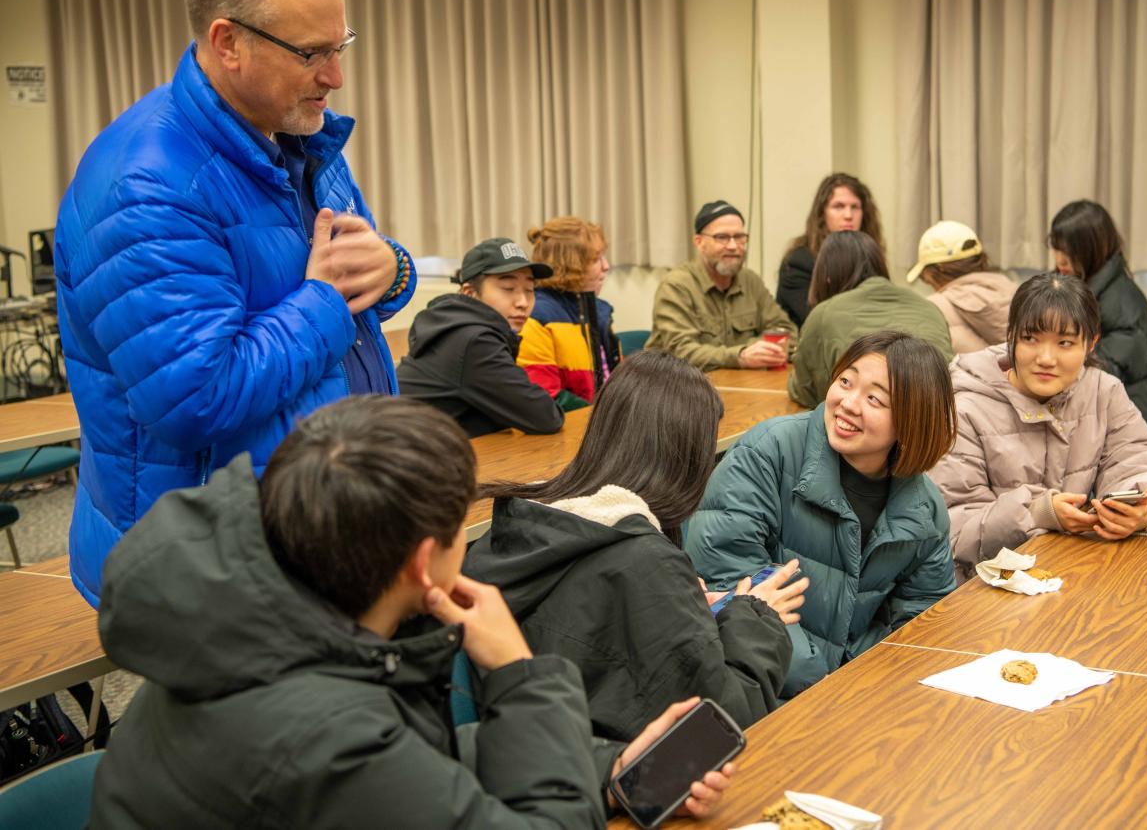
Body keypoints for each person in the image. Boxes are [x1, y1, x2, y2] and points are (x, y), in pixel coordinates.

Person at [90, 396, 734, 828]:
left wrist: (607, 766)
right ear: (425, 564)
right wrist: (520, 672)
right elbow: (373, 765)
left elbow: (412, 764)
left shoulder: (268, 611)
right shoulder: (319, 735)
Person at [53, 0, 415, 606]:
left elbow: (345, 280)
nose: (335, 76)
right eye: (312, 53)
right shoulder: (146, 184)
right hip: (216, 570)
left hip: (316, 528)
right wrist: (327, 302)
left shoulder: (294, 134)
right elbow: (196, 394)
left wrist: (392, 271)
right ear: (228, 42)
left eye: (341, 47)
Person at [464, 352, 800, 742]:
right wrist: (757, 619)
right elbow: (723, 723)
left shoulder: (528, 523)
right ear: (689, 459)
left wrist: (684, 608)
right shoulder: (644, 562)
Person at [688, 331, 958, 697]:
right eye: (845, 381)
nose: (848, 403)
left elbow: (926, 618)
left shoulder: (923, 508)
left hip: (856, 693)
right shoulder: (771, 452)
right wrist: (822, 681)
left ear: (913, 420)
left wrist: (871, 681)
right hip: (759, 682)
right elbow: (727, 572)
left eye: (875, 398)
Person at [929, 273, 1147, 582]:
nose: (1046, 358)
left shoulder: (1102, 391)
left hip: (1066, 574)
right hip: (981, 588)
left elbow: (1139, 461)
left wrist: (1144, 512)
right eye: (1030, 339)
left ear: (1091, 343)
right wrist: (1038, 512)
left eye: (1065, 343)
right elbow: (953, 529)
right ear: (1010, 336)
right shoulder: (963, 406)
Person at [397, 238, 563, 438]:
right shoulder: (473, 341)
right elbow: (546, 417)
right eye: (508, 288)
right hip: (402, 458)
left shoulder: (459, 328)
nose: (523, 302)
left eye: (529, 290)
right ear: (470, 293)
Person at [789, 232, 953, 407]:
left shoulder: (824, 314)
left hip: (874, 424)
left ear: (826, 275)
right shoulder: (929, 307)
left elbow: (805, 391)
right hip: (941, 421)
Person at [1048, 199, 1147, 429]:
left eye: (1068, 251)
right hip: (1096, 395)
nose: (1059, 259)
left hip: (1133, 399)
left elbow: (1103, 369)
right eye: (1056, 247)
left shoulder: (1120, 300)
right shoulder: (1077, 279)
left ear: (1090, 250)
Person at [646, 200, 797, 370]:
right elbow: (680, 352)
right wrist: (741, 355)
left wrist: (760, 350)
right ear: (699, 242)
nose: (733, 246)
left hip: (741, 384)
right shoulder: (676, 286)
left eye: (739, 237)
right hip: (680, 388)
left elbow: (785, 330)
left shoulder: (750, 280)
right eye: (722, 237)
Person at [517, 217, 620, 410]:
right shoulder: (537, 318)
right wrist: (600, 419)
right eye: (596, 259)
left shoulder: (598, 310)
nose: (606, 266)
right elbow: (547, 397)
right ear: (570, 264)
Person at [777, 173, 887, 327]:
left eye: (854, 207)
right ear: (822, 214)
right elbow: (817, 319)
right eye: (839, 206)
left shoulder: (870, 257)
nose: (848, 215)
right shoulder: (799, 261)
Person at [907, 219, 1018, 354]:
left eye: (925, 277)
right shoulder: (1016, 291)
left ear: (939, 269)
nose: (929, 283)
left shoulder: (933, 308)